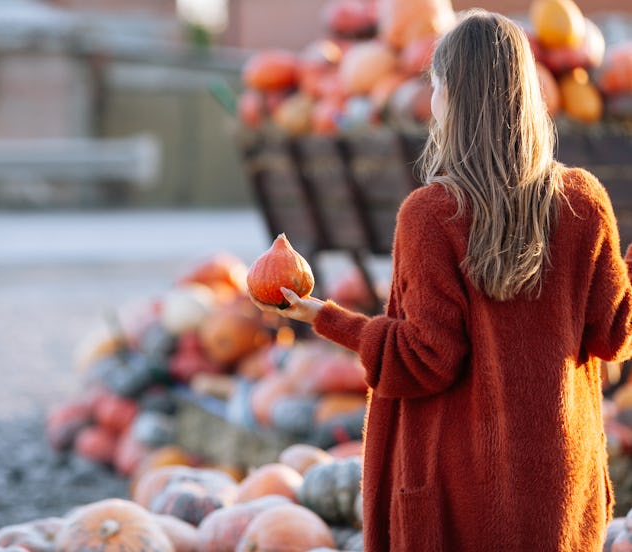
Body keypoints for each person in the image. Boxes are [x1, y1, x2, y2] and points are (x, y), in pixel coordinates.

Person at [251, 9, 632, 551]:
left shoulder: (431, 215)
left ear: (451, 97)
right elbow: (613, 334)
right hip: (560, 485)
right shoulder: (584, 202)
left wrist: (326, 317)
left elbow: (425, 358)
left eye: (435, 87)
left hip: (460, 489)